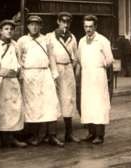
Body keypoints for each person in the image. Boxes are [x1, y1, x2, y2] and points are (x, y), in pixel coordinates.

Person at [16, 15, 64, 147]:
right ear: (28, 26)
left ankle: (52, 135)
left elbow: (51, 57)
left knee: (50, 103)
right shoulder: (22, 41)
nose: (34, 27)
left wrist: (54, 76)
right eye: (31, 24)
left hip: (45, 74)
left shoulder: (46, 40)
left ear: (40, 26)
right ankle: (35, 136)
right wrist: (21, 76)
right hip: (29, 75)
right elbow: (19, 59)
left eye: (37, 24)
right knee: (33, 106)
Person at [0, 19, 27, 148]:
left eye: (11, 29)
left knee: (13, 109)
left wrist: (20, 78)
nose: (9, 31)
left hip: (13, 80)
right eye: (6, 29)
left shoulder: (15, 45)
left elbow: (19, 62)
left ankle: (11, 137)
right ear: (0, 31)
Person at [77, 15, 114, 144]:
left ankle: (100, 135)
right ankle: (91, 133)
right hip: (86, 76)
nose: (88, 29)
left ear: (95, 27)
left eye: (90, 26)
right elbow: (79, 58)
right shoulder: (81, 41)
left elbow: (109, 59)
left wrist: (98, 65)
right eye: (86, 26)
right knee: (88, 104)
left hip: (98, 75)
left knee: (98, 104)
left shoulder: (103, 41)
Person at [46, 12, 80, 143]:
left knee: (68, 100)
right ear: (58, 22)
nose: (65, 24)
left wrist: (74, 71)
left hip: (68, 70)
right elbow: (49, 56)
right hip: (55, 69)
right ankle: (51, 135)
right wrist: (52, 73)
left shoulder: (72, 38)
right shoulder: (50, 37)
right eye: (63, 21)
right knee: (53, 100)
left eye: (68, 22)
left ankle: (68, 134)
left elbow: (76, 57)